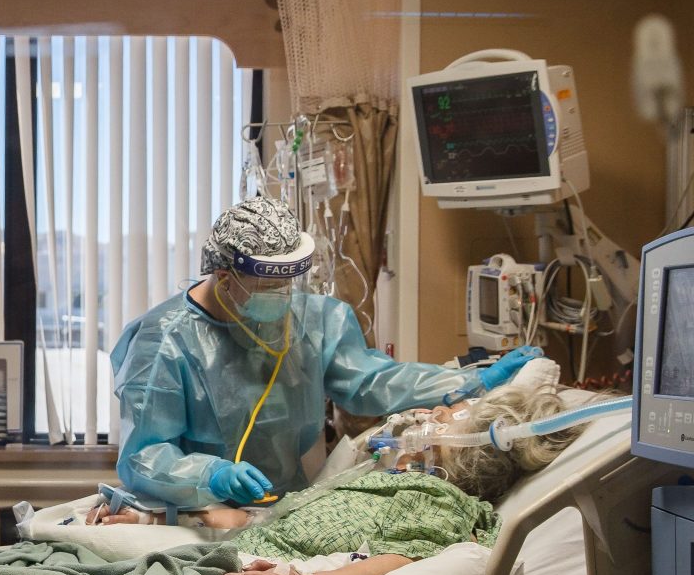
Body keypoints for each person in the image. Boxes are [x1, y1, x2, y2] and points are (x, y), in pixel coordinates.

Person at [111, 196, 540, 510]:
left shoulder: (314, 320)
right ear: (224, 277)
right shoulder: (161, 346)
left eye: (289, 284)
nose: (284, 298)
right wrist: (212, 475)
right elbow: (143, 456)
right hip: (197, 512)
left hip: (288, 504)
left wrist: (471, 380)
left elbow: (371, 382)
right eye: (268, 287)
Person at [94, 384, 583, 575]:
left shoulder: (437, 503)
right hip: (223, 553)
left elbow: (397, 563)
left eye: (444, 418)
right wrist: (151, 519)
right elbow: (255, 521)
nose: (429, 414)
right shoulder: (378, 479)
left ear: (469, 450)